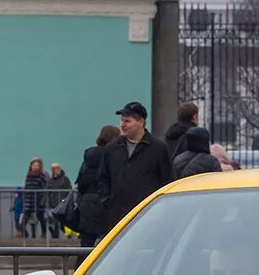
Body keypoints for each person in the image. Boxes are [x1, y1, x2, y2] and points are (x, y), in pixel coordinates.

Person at [98, 101, 173, 232]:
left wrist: (160, 208)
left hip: (149, 217)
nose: (122, 125)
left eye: (127, 121)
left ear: (141, 122)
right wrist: (108, 202)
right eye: (122, 121)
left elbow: (168, 179)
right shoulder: (112, 149)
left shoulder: (158, 149)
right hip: (118, 218)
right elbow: (103, 178)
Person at [76, 124, 120, 259]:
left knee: (86, 245)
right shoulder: (115, 156)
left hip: (88, 204)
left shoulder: (88, 158)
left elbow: (81, 183)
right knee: (111, 244)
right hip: (108, 204)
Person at [22, 158, 48, 239]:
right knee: (24, 221)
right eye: (34, 165)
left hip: (38, 202)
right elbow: (26, 188)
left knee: (41, 219)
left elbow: (45, 189)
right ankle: (25, 235)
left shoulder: (41, 177)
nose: (35, 167)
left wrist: (42, 201)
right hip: (29, 202)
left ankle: (43, 234)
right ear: (31, 166)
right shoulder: (28, 176)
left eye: (37, 165)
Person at [47, 163, 73, 240]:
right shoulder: (51, 180)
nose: (56, 171)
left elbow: (69, 190)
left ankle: (68, 234)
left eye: (57, 169)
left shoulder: (65, 179)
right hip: (53, 203)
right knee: (53, 222)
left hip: (62, 203)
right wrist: (47, 203)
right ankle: (55, 236)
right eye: (54, 169)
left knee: (62, 222)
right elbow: (48, 191)